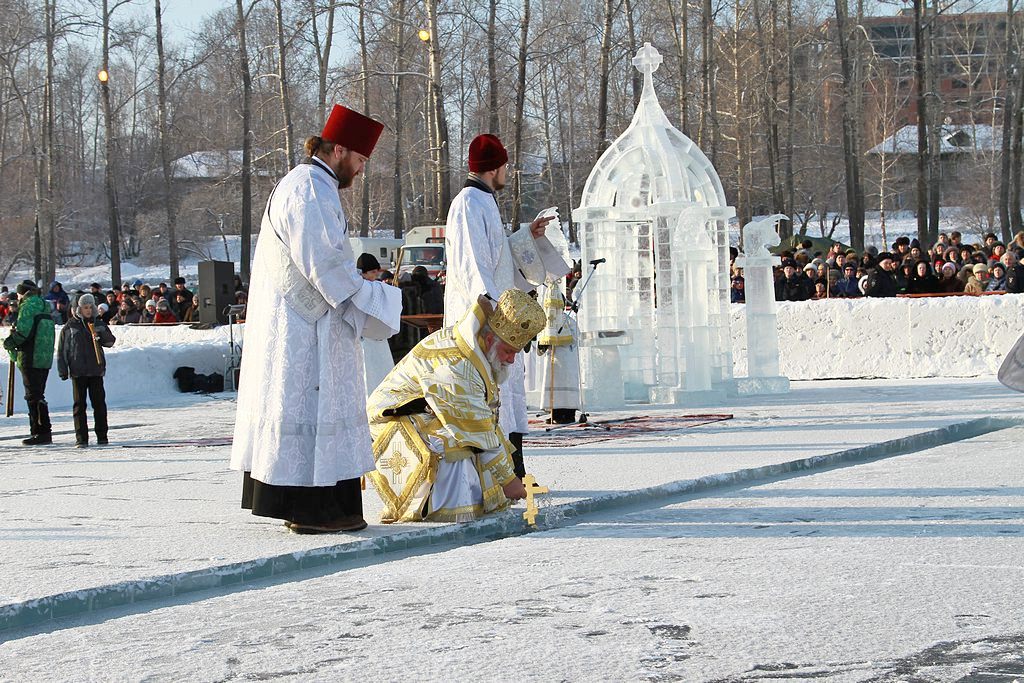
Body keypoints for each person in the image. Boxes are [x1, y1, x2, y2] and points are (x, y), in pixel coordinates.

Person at [230, 104, 402, 535]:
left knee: (319, 409)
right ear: (339, 149)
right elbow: (326, 267)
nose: (361, 170)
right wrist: (376, 297)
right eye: (360, 160)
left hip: (309, 323)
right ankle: (312, 508)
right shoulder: (310, 189)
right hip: (304, 331)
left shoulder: (311, 184)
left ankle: (328, 505)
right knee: (310, 406)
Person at [443, 133, 569, 481]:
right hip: (482, 321)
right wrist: (492, 311)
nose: (507, 173)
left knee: (506, 395)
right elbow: (473, 264)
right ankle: (495, 477)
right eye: (505, 167)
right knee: (486, 396)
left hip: (497, 318)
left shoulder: (484, 201)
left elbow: (497, 259)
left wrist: (528, 235)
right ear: (494, 167)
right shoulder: (469, 202)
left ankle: (511, 472)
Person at [366, 290, 541, 522]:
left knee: (484, 435)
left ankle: (477, 502)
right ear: (490, 340)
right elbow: (474, 428)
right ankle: (447, 512)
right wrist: (509, 482)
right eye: (509, 351)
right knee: (453, 443)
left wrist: (509, 478)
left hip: (420, 412)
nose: (511, 360)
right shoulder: (456, 365)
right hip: (389, 422)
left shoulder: (475, 347)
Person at [57, 294, 115, 447]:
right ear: (78, 309)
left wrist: (100, 334)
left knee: (99, 404)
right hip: (78, 371)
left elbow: (110, 342)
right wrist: (63, 369)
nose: (88, 311)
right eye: (85, 308)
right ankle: (81, 438)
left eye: (90, 307)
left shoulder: (98, 323)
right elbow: (63, 350)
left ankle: (102, 436)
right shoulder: (70, 327)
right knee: (79, 405)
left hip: (95, 370)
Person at [3, 281, 56, 445]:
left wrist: (9, 342)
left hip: (30, 356)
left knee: (32, 396)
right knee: (39, 394)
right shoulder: (44, 306)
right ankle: (44, 430)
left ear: (23, 294)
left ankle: (39, 432)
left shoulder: (27, 307)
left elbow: (23, 332)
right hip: (44, 357)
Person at [537, 281, 580, 423]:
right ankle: (555, 414)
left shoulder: (569, 321)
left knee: (566, 389)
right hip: (553, 360)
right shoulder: (547, 322)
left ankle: (569, 415)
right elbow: (541, 341)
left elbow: (576, 338)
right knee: (553, 386)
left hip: (566, 360)